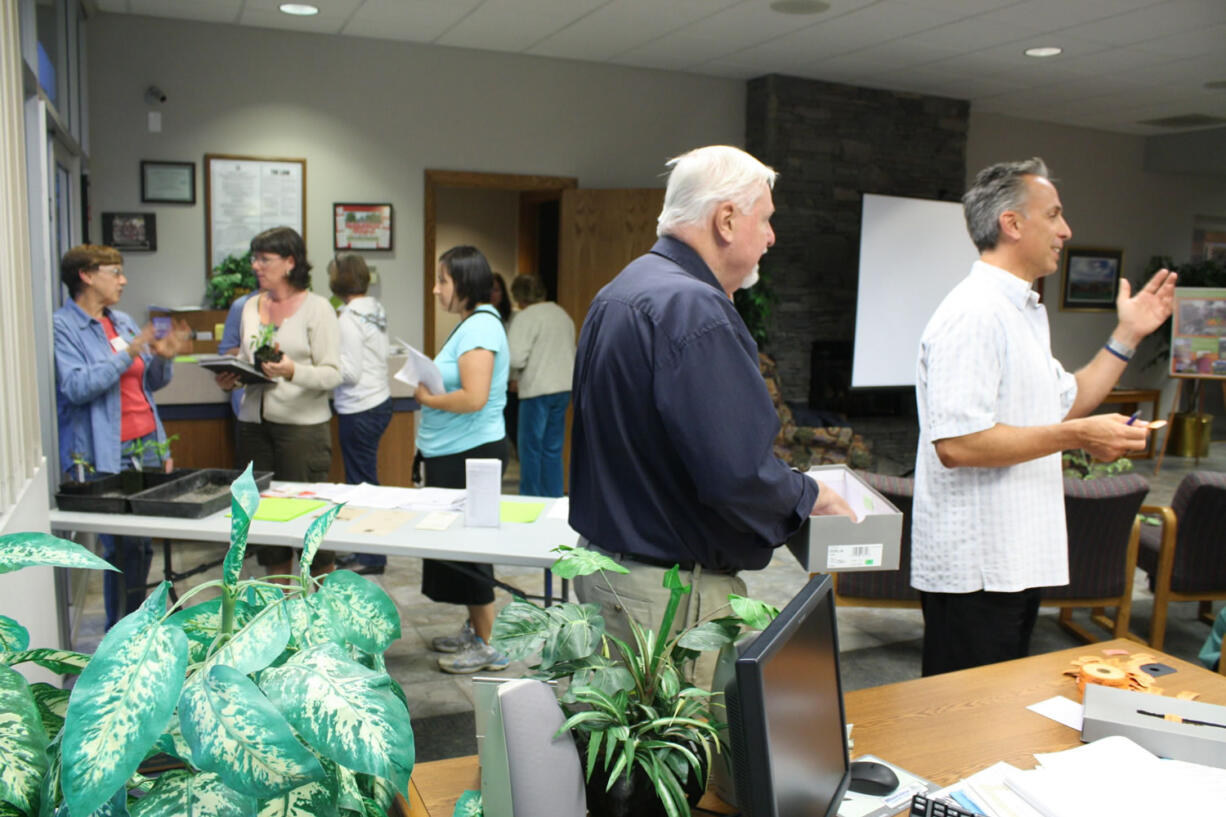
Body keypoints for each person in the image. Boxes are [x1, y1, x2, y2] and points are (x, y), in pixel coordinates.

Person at [568, 145, 854, 689]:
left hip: (614, 574)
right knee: (672, 768)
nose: (771, 237)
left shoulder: (623, 288)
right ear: (726, 219)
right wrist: (809, 495)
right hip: (666, 594)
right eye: (765, 219)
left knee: (620, 765)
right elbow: (736, 472)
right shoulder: (693, 308)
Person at [912, 158, 1177, 676]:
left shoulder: (1020, 312)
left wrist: (1128, 335)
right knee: (967, 728)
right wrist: (1078, 436)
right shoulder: (974, 313)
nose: (1066, 230)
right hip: (978, 569)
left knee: (999, 721)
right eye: (1053, 215)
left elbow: (1068, 400)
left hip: (1013, 560)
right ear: (1012, 224)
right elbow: (959, 445)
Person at [53, 244, 188, 628]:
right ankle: (121, 634)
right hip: (106, 453)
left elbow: (151, 383)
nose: (123, 280)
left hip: (147, 445)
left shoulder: (124, 320)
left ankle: (136, 625)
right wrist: (129, 352)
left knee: (142, 545)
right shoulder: (63, 326)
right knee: (119, 548)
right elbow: (77, 387)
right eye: (115, 272)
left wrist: (164, 356)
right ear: (86, 275)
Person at [214, 226, 341, 579]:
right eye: (254, 258)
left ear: (289, 262)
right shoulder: (250, 307)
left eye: (264, 259)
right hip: (254, 426)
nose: (256, 265)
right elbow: (247, 357)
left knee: (308, 525)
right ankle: (279, 610)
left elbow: (332, 374)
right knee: (265, 525)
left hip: (302, 431)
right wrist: (233, 376)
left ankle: (322, 613)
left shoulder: (318, 309)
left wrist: (292, 371)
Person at [415, 246, 511, 674]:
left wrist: (427, 397)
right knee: (458, 546)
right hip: (455, 451)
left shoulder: (480, 330)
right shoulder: (472, 325)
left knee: (470, 548)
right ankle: (476, 630)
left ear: (465, 284)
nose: (436, 290)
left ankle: (489, 643)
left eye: (443, 281)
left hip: (470, 453)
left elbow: (474, 397)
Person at [329, 252, 392, 575]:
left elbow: (349, 372)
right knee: (365, 479)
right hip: (378, 401)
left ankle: (370, 557)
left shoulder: (348, 318)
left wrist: (320, 370)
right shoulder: (374, 308)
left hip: (359, 406)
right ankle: (368, 553)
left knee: (361, 485)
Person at [507, 274, 574, 497]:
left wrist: (513, 375)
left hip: (537, 390)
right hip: (563, 388)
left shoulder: (526, 317)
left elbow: (515, 357)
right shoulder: (561, 314)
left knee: (531, 450)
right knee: (553, 449)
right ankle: (553, 498)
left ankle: (531, 500)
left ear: (518, 296)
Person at [491, 272, 519, 458]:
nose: (492, 294)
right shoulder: (477, 318)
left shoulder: (514, 317)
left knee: (512, 425)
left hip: (509, 381)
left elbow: (517, 351)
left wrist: (515, 377)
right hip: (489, 381)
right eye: (489, 290)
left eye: (496, 290)